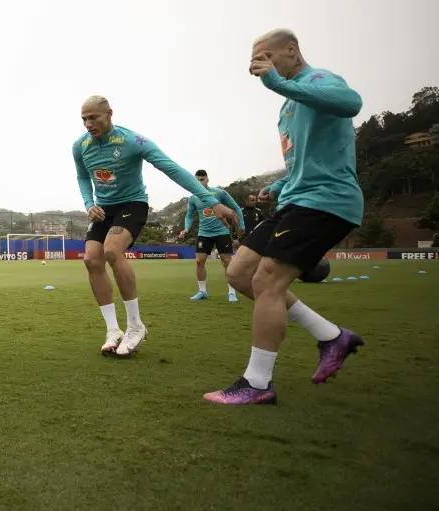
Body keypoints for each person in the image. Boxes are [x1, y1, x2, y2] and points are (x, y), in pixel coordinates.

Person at [204, 29, 365, 405]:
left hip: (327, 201)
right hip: (294, 199)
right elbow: (304, 160)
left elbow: (351, 103)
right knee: (239, 274)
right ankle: (331, 336)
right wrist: (277, 186)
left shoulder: (319, 80)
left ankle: (257, 384)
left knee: (268, 280)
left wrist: (275, 82)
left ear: (292, 51)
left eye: (267, 57)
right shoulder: (288, 105)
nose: (259, 66)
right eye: (255, 61)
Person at [73, 96, 238, 357]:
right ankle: (113, 330)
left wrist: (209, 201)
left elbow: (172, 169)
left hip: (132, 204)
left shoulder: (133, 142)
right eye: (84, 118)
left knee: (112, 251)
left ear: (109, 114)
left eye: (93, 117)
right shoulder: (80, 146)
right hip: (103, 209)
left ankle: (136, 326)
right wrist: (88, 203)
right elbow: (83, 176)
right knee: (92, 260)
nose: (88, 123)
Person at [178, 170, 244, 302]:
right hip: (204, 233)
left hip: (222, 232)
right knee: (199, 261)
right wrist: (186, 228)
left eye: (202, 179)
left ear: (207, 179)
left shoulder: (219, 193)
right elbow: (189, 215)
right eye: (197, 180)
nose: (199, 182)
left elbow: (236, 208)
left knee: (226, 261)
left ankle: (232, 293)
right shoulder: (193, 198)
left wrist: (241, 226)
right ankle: (202, 291)